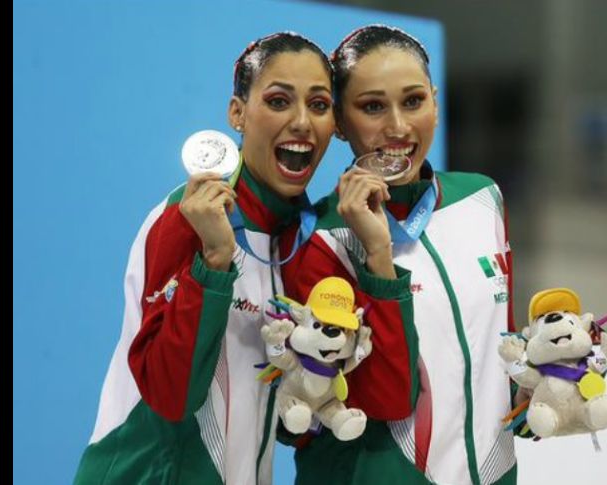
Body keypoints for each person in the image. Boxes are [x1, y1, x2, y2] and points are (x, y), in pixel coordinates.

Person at [73, 31, 338, 485]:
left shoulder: (295, 241)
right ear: (238, 113)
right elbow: (169, 395)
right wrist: (215, 261)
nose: (301, 122)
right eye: (278, 101)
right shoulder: (187, 217)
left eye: (318, 105)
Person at [278, 25, 518, 485]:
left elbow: (499, 350)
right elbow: (385, 400)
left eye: (413, 101)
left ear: (435, 99)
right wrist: (377, 254)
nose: (398, 127)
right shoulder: (317, 238)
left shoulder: (483, 199)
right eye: (372, 107)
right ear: (341, 124)